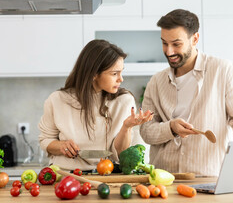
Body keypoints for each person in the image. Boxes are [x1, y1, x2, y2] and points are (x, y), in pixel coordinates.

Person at [140, 9, 233, 176]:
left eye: (176, 44)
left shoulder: (223, 70)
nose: (169, 51)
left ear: (195, 39)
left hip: (209, 179)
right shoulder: (156, 82)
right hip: (165, 181)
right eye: (164, 43)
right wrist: (171, 128)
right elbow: (146, 131)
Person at [39, 39, 153, 171]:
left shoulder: (124, 101)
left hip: (108, 175)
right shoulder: (57, 100)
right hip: (67, 176)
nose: (121, 79)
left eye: (121, 72)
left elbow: (121, 154)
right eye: (114, 73)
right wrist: (61, 146)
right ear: (94, 74)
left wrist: (126, 127)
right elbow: (45, 140)